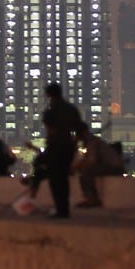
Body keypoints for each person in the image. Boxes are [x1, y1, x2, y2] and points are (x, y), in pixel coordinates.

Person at [43, 82, 86, 218]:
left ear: (50, 95)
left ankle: (60, 209)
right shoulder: (71, 109)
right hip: (68, 148)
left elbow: (51, 130)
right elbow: (80, 129)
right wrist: (74, 143)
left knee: (55, 180)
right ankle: (64, 209)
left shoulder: (51, 111)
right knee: (64, 179)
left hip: (56, 148)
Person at [73, 129, 123, 208]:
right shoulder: (94, 141)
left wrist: (77, 166)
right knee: (86, 170)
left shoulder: (92, 142)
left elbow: (91, 161)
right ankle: (91, 198)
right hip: (115, 166)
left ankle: (92, 199)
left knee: (86, 171)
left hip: (114, 168)